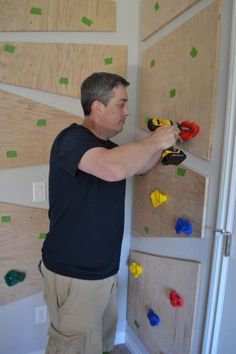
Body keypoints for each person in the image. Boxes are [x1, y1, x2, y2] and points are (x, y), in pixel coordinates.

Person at [40, 72, 180, 354]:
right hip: (74, 275)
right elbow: (113, 169)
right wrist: (154, 141)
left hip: (103, 272)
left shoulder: (109, 149)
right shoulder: (71, 139)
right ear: (97, 107)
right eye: (121, 104)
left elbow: (138, 166)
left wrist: (166, 143)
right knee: (73, 347)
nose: (127, 112)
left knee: (99, 344)